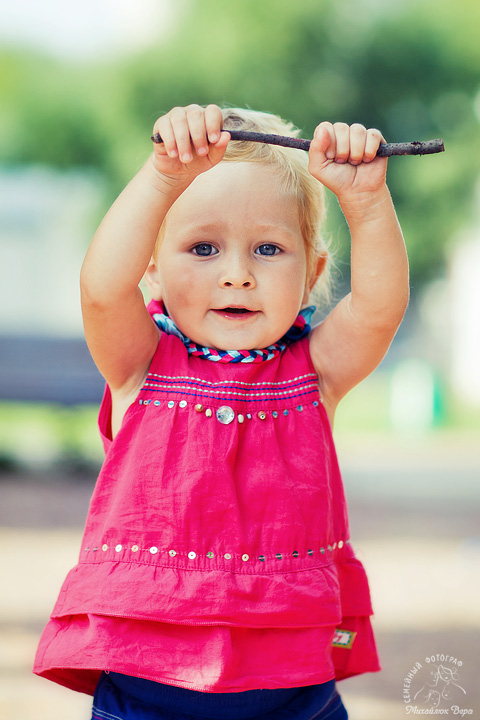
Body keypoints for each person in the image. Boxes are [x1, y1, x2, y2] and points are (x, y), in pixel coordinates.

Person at [34, 103, 409, 720]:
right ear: (152, 270)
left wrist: (366, 204)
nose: (237, 275)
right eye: (203, 247)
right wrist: (163, 177)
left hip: (294, 695)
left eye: (268, 248)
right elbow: (101, 289)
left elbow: (377, 308)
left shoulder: (314, 373)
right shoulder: (141, 364)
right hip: (147, 691)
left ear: (312, 271)